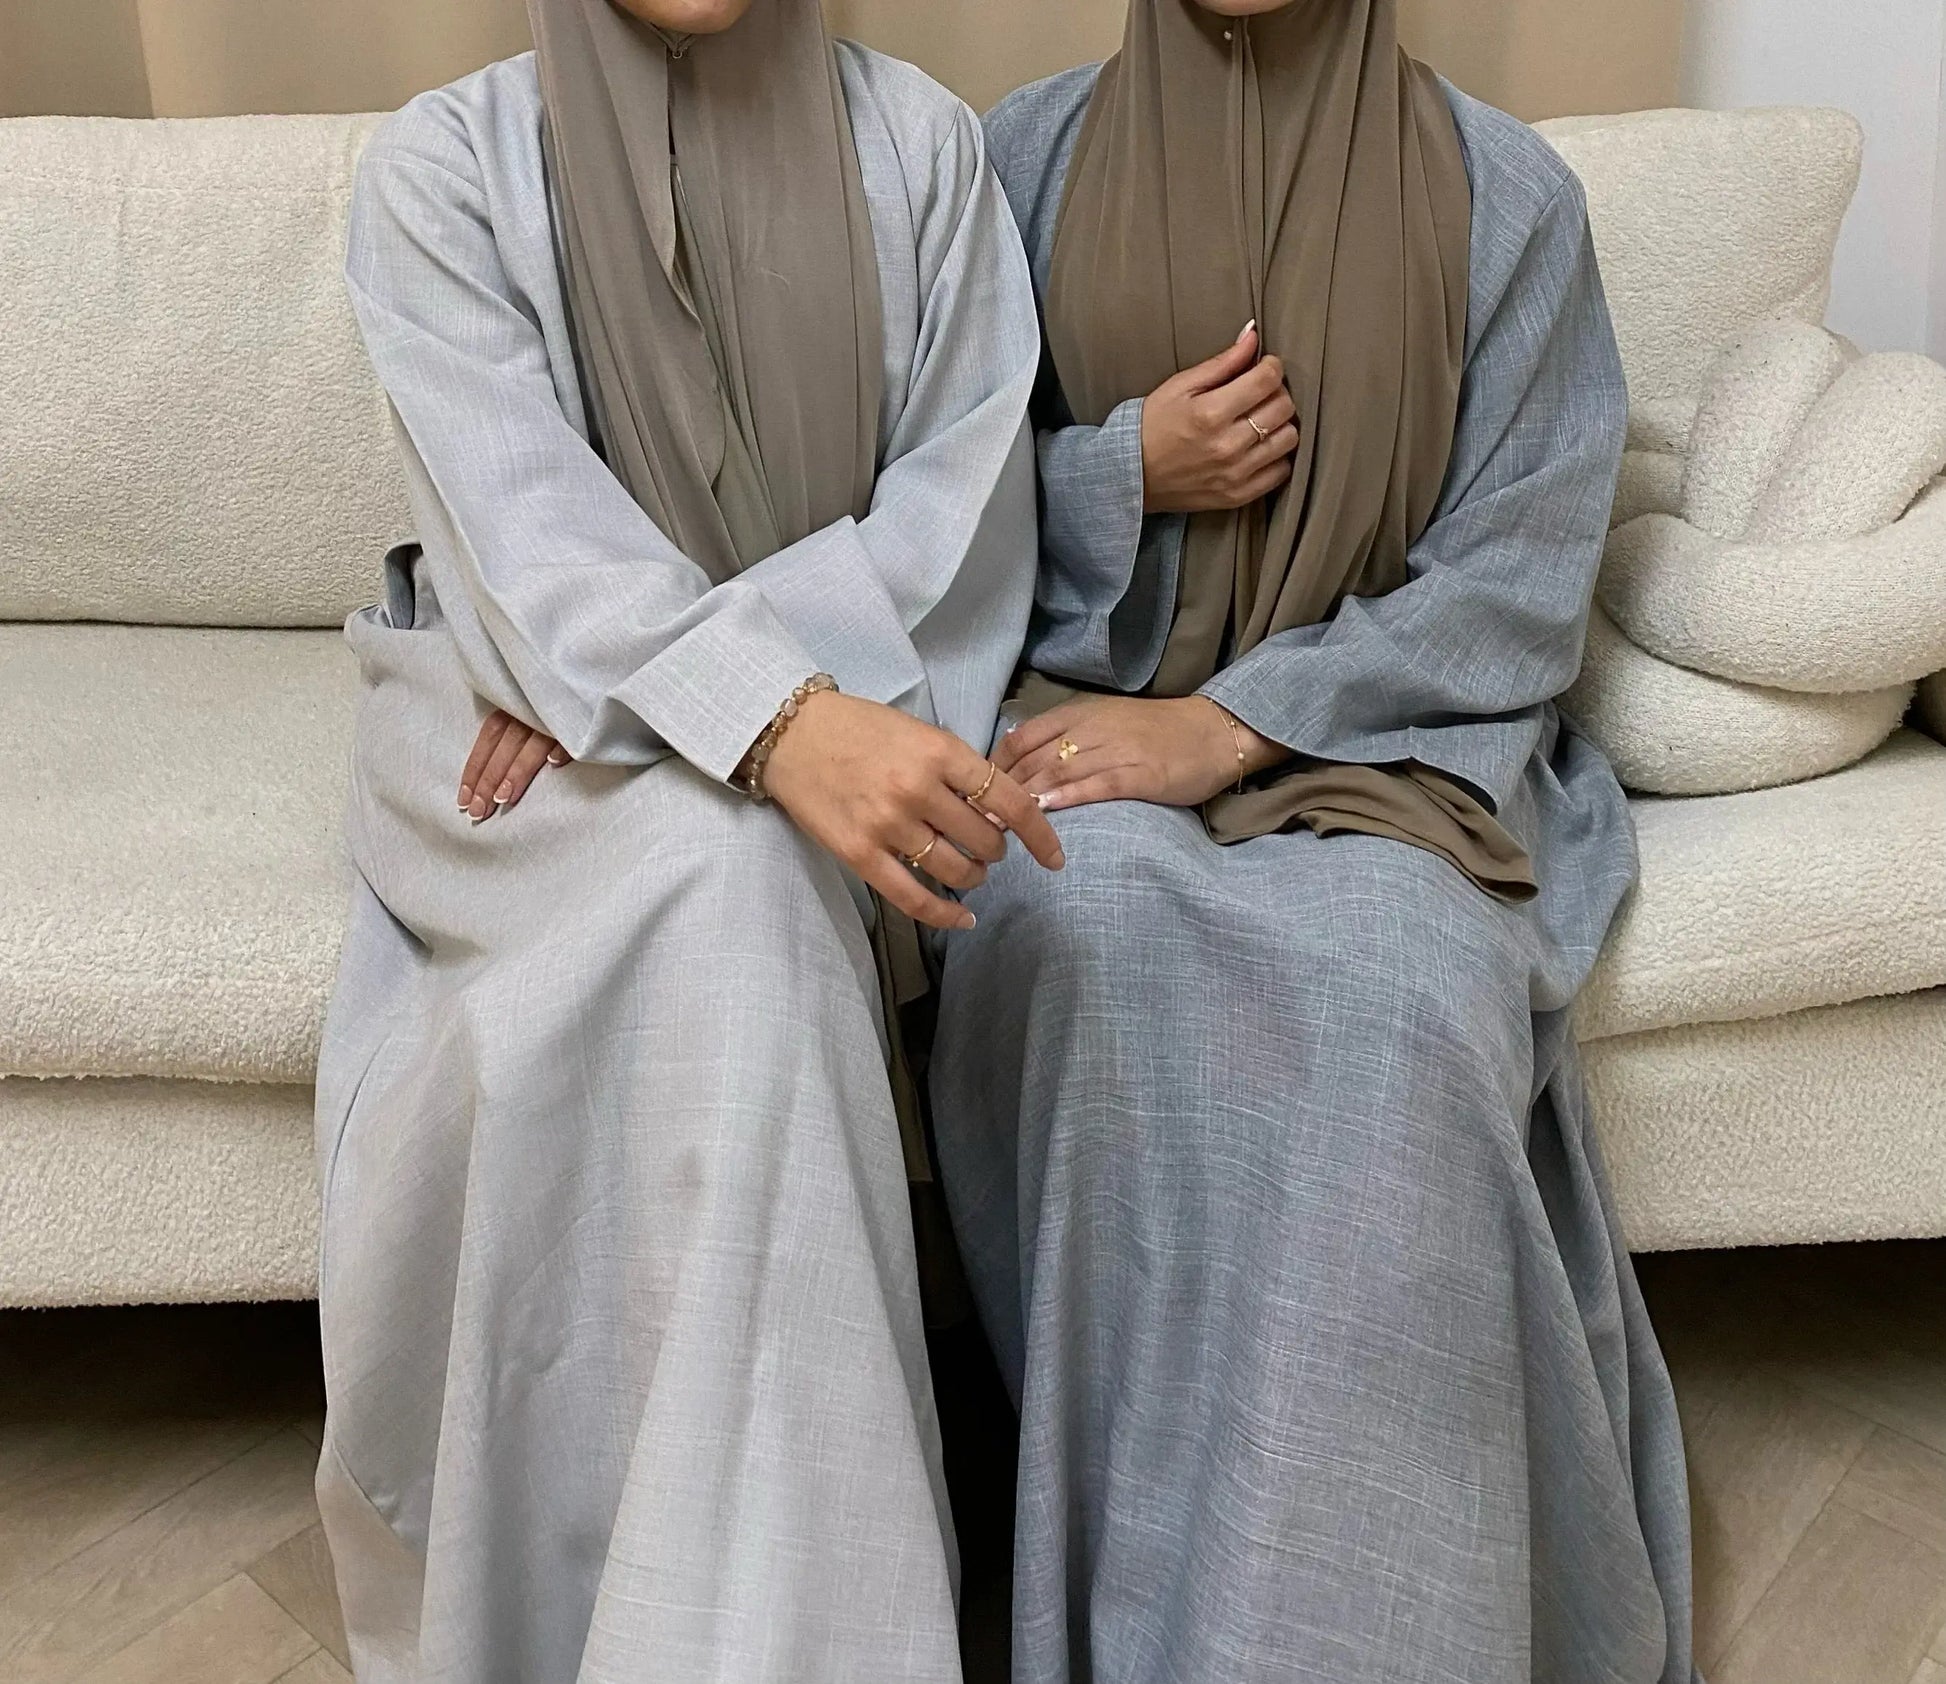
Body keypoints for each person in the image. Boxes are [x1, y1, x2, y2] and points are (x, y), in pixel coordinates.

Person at [928, 2, 1700, 1679]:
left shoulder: (1507, 199)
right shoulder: (1014, 164)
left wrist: (1222, 726)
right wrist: (1122, 470)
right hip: (1073, 715)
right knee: (1072, 926)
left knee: (1390, 991)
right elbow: (930, 506)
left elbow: (1520, 569)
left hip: (1384, 758)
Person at [311, 0, 1063, 1676]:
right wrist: (752, 711)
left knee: (742, 892)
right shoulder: (446, 168)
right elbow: (523, 542)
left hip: (711, 707)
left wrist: (677, 687)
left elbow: (960, 519)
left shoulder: (924, 148)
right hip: (516, 756)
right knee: (735, 884)